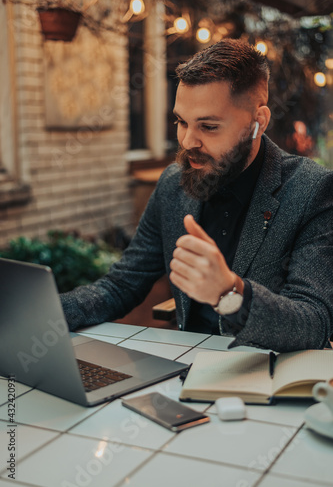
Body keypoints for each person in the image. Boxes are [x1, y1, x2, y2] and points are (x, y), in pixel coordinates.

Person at [61, 38, 333, 353]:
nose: (189, 141)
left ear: (258, 122)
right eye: (181, 122)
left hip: (268, 376)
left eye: (208, 126)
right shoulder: (173, 185)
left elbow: (314, 323)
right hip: (185, 369)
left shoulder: (313, 190)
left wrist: (229, 293)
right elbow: (121, 285)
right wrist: (48, 316)